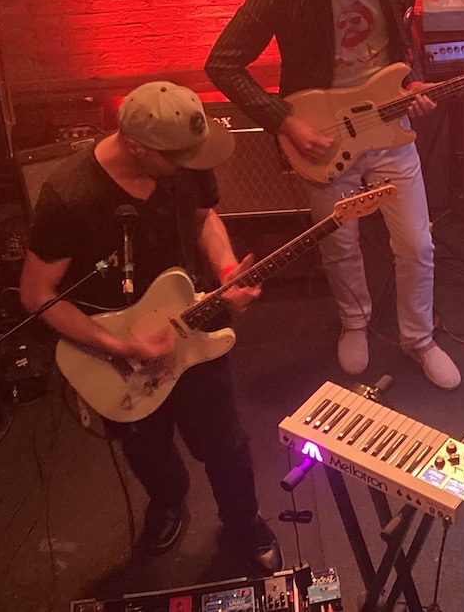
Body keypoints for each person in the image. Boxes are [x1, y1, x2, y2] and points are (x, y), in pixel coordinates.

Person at [205, 0, 460, 390]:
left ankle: (419, 337)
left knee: (416, 243)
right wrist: (284, 121)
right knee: (340, 244)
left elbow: (397, 43)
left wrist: (410, 85)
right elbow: (223, 64)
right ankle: (354, 321)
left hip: (387, 128)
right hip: (320, 135)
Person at [20, 82, 282, 573]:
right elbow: (37, 295)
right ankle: (167, 500)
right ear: (135, 145)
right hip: (118, 350)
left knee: (225, 444)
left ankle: (244, 522)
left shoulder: (186, 163)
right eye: (176, 157)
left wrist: (227, 271)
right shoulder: (69, 195)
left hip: (193, 328)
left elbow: (204, 217)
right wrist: (117, 344)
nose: (190, 164)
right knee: (145, 443)